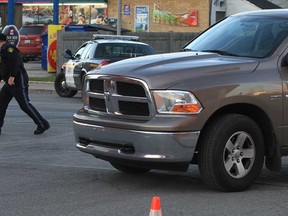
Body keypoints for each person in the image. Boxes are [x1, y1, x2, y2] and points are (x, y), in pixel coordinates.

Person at [0, 33, 50, 135]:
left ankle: (42, 124)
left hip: (18, 80)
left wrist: (12, 76)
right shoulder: (2, 50)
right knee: (1, 104)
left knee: (24, 105)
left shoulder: (9, 48)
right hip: (9, 82)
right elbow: (3, 67)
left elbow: (16, 63)